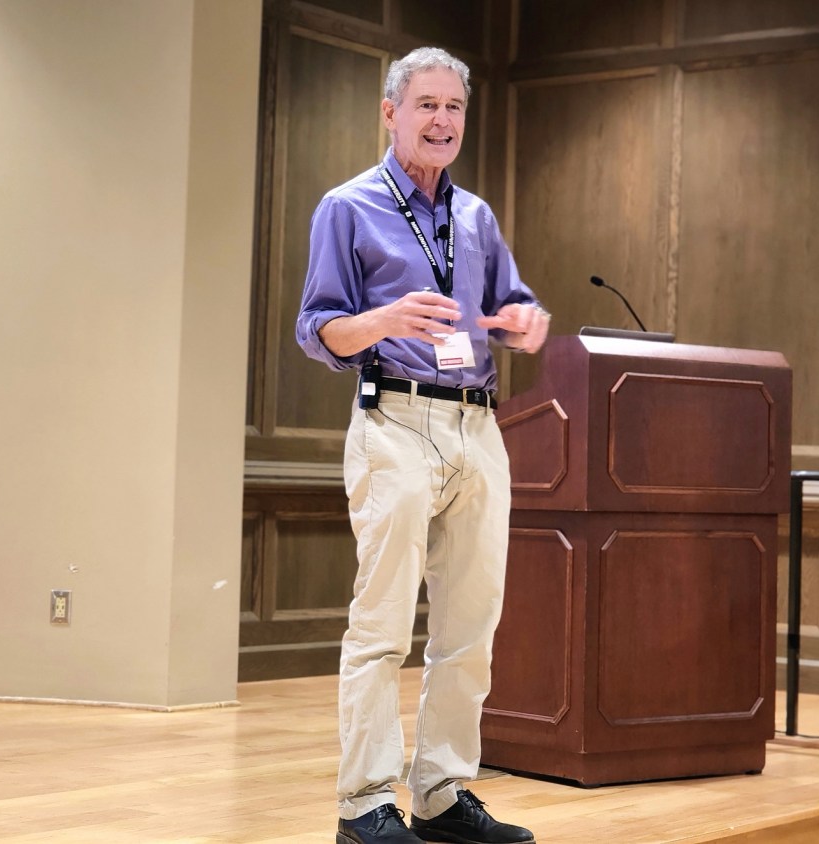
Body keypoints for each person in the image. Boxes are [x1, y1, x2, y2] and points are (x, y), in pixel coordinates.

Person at [297, 46, 549, 844]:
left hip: (478, 425)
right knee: (382, 626)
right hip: (396, 421)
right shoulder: (348, 207)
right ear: (391, 113)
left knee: (471, 627)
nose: (442, 121)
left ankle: (440, 795)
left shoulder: (476, 218)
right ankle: (364, 804)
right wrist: (384, 320)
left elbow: (513, 306)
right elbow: (317, 329)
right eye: (427, 105)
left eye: (454, 107)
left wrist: (526, 322)